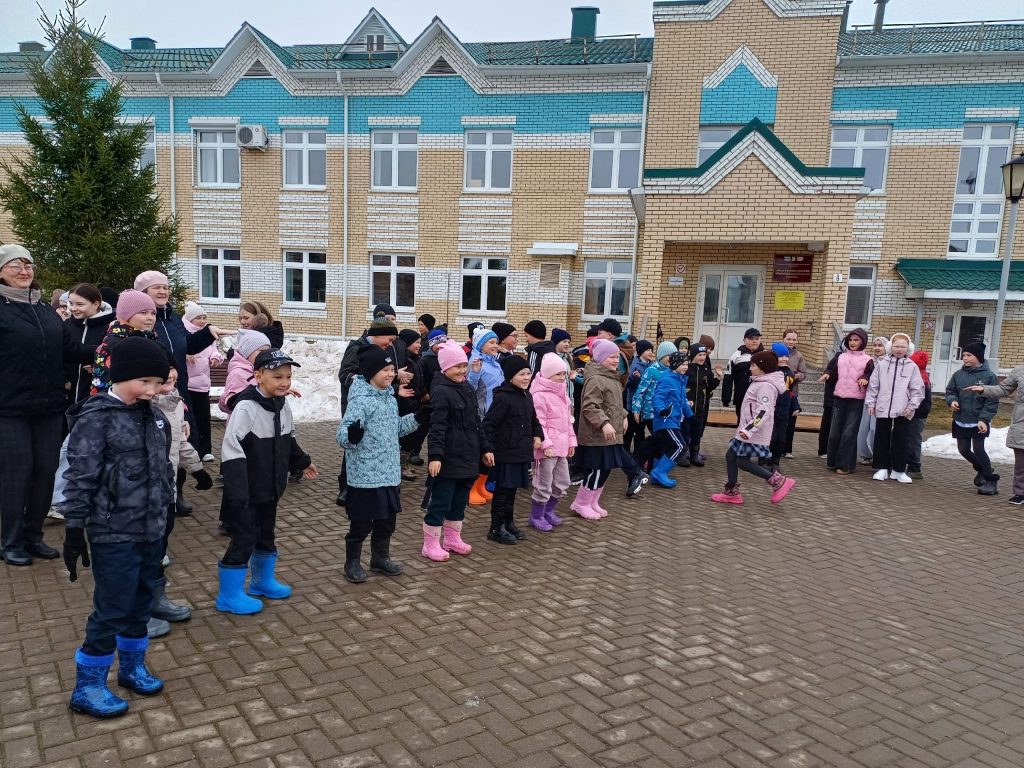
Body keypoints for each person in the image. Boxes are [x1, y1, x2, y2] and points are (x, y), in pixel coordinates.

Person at [61, 336, 174, 717]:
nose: (152, 390)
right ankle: (88, 686)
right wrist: (74, 527)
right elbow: (80, 475)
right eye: (144, 382)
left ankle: (131, 668)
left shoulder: (155, 417)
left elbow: (162, 470)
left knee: (141, 602)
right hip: (114, 532)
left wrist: (166, 515)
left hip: (151, 530)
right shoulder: (97, 418)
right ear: (121, 376)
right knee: (112, 608)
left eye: (158, 382)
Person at [0, 244, 95, 566]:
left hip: (48, 407)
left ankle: (33, 536)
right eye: (15, 265)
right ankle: (11, 541)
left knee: (44, 473)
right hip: (9, 409)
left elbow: (70, 349)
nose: (24, 271)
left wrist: (110, 349)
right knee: (17, 475)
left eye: (28, 265)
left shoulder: (43, 309)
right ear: (1, 272)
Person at [215, 349, 317, 614]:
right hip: (245, 492)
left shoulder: (282, 405)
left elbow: (288, 439)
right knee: (244, 538)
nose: (284, 382)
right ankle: (228, 595)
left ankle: (261, 581)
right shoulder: (246, 407)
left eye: (288, 377)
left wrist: (303, 461)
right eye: (277, 377)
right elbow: (231, 449)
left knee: (266, 534)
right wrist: (237, 491)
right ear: (259, 376)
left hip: (270, 488)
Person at [338, 345, 426, 583]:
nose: (391, 374)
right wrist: (352, 435)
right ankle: (352, 562)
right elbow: (343, 434)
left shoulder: (389, 398)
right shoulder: (360, 401)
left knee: (387, 522)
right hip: (366, 475)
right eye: (385, 370)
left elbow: (395, 428)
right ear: (370, 372)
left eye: (392, 369)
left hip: (388, 473)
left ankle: (380, 558)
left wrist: (418, 418)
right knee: (361, 523)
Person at [151, 360, 211, 630]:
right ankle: (138, 608)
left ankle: (156, 598)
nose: (171, 387)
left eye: (175, 381)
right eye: (166, 381)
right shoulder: (143, 407)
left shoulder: (174, 403)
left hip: (168, 486)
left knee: (164, 534)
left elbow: (179, 443)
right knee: (146, 546)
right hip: (144, 494)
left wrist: (197, 469)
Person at [424, 342, 489, 561]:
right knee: (441, 502)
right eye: (457, 367)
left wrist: (485, 448)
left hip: (468, 456)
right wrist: (435, 456)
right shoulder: (441, 391)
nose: (462, 371)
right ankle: (430, 544)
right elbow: (437, 427)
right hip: (449, 458)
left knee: (460, 501)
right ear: (445, 368)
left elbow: (476, 423)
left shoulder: (466, 387)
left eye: (464, 366)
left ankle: (452, 539)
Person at [711, 350, 796, 505]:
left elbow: (764, 412)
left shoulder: (765, 386)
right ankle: (731, 491)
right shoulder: (759, 382)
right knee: (731, 456)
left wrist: (749, 429)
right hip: (746, 430)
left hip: (753, 432)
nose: (750, 368)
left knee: (742, 461)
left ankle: (778, 481)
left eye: (753, 365)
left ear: (764, 367)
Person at [133, 271, 227, 407]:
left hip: (179, 389)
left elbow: (188, 345)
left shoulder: (174, 318)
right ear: (143, 292)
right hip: (150, 393)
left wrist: (208, 333)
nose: (162, 292)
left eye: (165, 288)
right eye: (156, 287)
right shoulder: (136, 320)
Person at [482, 356, 544, 544]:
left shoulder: (527, 395)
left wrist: (538, 434)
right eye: (521, 374)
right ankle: (496, 527)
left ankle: (508, 523)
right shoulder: (503, 397)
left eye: (528, 374)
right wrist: (488, 449)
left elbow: (533, 418)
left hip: (521, 451)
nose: (526, 378)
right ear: (510, 377)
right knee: (502, 491)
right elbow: (489, 424)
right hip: (506, 452)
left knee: (512, 491)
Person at [571, 339, 629, 520]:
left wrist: (624, 415)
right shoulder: (596, 379)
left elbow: (613, 403)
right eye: (611, 357)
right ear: (601, 357)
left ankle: (592, 501)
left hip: (610, 435)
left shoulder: (612, 378)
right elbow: (590, 406)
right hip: (596, 435)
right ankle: (581, 503)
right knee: (595, 470)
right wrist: (604, 423)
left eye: (617, 357)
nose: (615, 360)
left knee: (605, 469)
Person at [866, 332, 924, 484]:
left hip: (903, 409)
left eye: (903, 347)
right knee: (881, 438)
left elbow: (917, 389)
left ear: (908, 348)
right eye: (897, 346)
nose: (899, 349)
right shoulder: (882, 364)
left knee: (902, 439)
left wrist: (912, 406)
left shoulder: (912, 367)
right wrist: (871, 403)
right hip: (883, 406)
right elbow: (873, 385)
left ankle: (898, 470)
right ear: (891, 347)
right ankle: (881, 468)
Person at [529, 353, 576, 531]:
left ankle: (549, 510)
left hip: (562, 448)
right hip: (547, 450)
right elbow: (539, 423)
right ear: (548, 374)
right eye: (558, 374)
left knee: (562, 482)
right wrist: (545, 444)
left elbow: (567, 422)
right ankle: (536, 515)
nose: (562, 377)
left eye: (563, 374)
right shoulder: (539, 396)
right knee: (543, 483)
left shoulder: (562, 393)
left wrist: (571, 442)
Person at [946, 343, 999, 494]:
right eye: (964, 355)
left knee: (978, 449)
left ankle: (990, 481)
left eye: (969, 355)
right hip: (961, 418)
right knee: (963, 449)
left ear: (979, 357)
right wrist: (952, 401)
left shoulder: (989, 376)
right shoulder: (958, 374)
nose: (965, 358)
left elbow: (992, 400)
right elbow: (950, 391)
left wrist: (984, 419)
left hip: (979, 421)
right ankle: (983, 468)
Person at [824, 328, 873, 475]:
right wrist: (827, 374)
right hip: (839, 397)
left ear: (862, 342)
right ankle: (833, 461)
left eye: (856, 340)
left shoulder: (868, 360)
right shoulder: (840, 357)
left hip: (856, 400)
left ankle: (845, 465)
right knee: (834, 432)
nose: (852, 342)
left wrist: (865, 378)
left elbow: (870, 374)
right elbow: (832, 371)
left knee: (849, 433)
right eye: (850, 340)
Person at [467, 326, 503, 506]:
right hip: (482, 416)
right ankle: (471, 488)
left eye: (496, 342)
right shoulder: (475, 362)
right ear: (481, 345)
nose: (495, 345)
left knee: (490, 451)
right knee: (480, 452)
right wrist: (474, 372)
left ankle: (481, 485)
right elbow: (469, 389)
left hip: (496, 415)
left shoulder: (495, 363)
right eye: (491, 342)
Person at [182, 301, 222, 462]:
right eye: (198, 318)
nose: (202, 321)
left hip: (202, 385)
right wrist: (186, 354)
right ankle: (191, 448)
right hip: (187, 386)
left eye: (204, 318)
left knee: (203, 418)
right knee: (189, 419)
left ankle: (205, 450)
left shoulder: (207, 335)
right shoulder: (183, 333)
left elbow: (214, 351)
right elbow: (176, 351)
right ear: (189, 319)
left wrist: (215, 358)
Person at [64, 283, 115, 406]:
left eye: (80, 304)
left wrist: (99, 363)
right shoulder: (67, 325)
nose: (73, 308)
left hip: (97, 396)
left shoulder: (111, 326)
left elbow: (115, 353)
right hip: (68, 395)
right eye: (71, 303)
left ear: (96, 304)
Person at [649, 351, 694, 488]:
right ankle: (659, 472)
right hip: (665, 420)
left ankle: (656, 477)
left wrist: (690, 415)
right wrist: (661, 410)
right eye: (682, 364)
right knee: (680, 446)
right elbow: (657, 397)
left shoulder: (680, 380)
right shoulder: (667, 379)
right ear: (674, 364)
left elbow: (682, 400)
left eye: (687, 364)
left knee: (665, 447)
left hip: (674, 420)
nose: (685, 367)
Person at [631, 341, 676, 468]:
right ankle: (638, 463)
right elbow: (640, 391)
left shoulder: (672, 371)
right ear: (661, 356)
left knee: (659, 441)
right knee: (658, 439)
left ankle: (648, 465)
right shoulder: (651, 370)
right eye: (669, 356)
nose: (672, 359)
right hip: (651, 412)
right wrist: (636, 409)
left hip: (665, 412)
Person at [219, 329, 271, 415]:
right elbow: (230, 405)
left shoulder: (262, 370)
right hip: (243, 420)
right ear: (247, 352)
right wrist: (229, 400)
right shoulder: (237, 374)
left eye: (267, 351)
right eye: (261, 351)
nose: (265, 354)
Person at [857, 336, 890, 465]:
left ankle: (878, 454)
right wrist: (864, 378)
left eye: (880, 345)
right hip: (870, 398)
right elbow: (867, 373)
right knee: (865, 427)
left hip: (883, 400)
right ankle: (866, 454)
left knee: (875, 429)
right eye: (875, 345)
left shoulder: (891, 362)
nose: (877, 348)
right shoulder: (871, 362)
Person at [685, 342, 719, 466]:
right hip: (687, 409)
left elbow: (710, 387)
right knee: (685, 432)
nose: (702, 357)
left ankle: (694, 455)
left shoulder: (706, 371)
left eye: (704, 355)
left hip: (700, 409)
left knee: (696, 434)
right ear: (693, 355)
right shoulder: (686, 369)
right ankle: (683, 455)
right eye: (699, 355)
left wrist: (718, 378)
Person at [767, 342, 799, 470]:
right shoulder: (768, 372)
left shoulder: (789, 373)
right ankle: (765, 459)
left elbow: (790, 392)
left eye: (786, 356)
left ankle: (776, 461)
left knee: (780, 438)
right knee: (770, 437)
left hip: (784, 411)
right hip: (770, 411)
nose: (784, 359)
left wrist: (795, 406)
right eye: (781, 356)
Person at [722, 328, 763, 417]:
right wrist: (726, 398)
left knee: (759, 423)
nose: (754, 341)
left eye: (757, 339)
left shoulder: (766, 355)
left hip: (760, 398)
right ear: (744, 340)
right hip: (742, 397)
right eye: (751, 339)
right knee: (742, 422)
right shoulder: (736, 356)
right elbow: (728, 378)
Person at [905, 350, 933, 481]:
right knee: (910, 438)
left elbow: (919, 398)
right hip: (917, 412)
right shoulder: (923, 375)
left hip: (917, 413)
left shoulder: (920, 377)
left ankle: (914, 467)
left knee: (913, 440)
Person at [625, 340, 655, 456]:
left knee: (640, 431)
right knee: (630, 430)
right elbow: (628, 384)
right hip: (634, 405)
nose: (650, 352)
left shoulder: (651, 365)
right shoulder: (635, 365)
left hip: (645, 405)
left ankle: (638, 454)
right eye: (647, 350)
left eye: (651, 350)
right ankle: (626, 452)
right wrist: (634, 378)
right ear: (640, 351)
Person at [781, 330, 807, 457]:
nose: (791, 342)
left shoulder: (798, 355)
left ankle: (787, 450)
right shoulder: (776, 352)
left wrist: (795, 376)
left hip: (792, 392)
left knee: (791, 422)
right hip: (778, 391)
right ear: (783, 339)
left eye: (794, 339)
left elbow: (804, 373)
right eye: (788, 339)